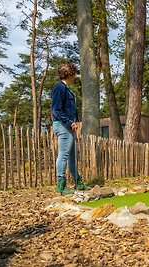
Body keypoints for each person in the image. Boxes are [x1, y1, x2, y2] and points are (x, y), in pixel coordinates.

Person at [51, 63, 90, 194]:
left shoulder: (68, 90)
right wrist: (69, 123)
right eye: (74, 74)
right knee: (63, 155)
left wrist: (76, 125)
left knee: (72, 157)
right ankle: (61, 186)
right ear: (69, 74)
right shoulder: (59, 88)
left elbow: (72, 110)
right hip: (62, 125)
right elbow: (56, 110)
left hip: (69, 126)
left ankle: (78, 182)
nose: (75, 77)